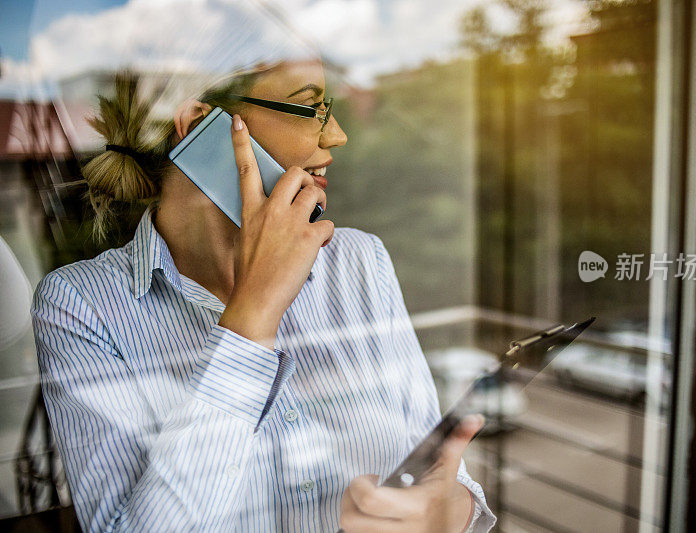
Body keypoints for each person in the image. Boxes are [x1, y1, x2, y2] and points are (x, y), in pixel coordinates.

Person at [31, 57, 496, 532]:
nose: (335, 135)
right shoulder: (81, 305)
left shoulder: (360, 262)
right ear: (200, 127)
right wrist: (252, 317)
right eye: (311, 105)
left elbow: (438, 473)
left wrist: (447, 508)